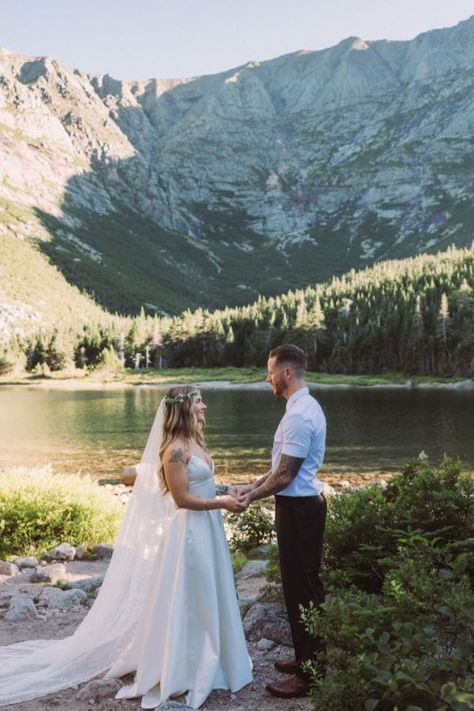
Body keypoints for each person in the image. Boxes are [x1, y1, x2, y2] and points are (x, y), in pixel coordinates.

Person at [0, 386, 252, 709]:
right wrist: (222, 503)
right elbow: (181, 499)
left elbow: (200, 484)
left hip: (210, 528)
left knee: (210, 592)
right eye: (198, 400)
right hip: (190, 533)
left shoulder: (196, 443)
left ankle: (217, 658)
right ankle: (186, 666)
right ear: (184, 408)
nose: (204, 405)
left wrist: (228, 490)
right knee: (192, 596)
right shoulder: (174, 449)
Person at [234, 345, 327, 699]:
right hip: (299, 508)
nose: (267, 379)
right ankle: (310, 658)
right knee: (302, 587)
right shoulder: (302, 408)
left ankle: (309, 675)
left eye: (270, 372)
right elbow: (279, 470)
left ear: (286, 374)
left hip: (300, 510)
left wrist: (247, 499)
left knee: (302, 590)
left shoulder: (300, 416)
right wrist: (253, 485)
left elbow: (286, 475)